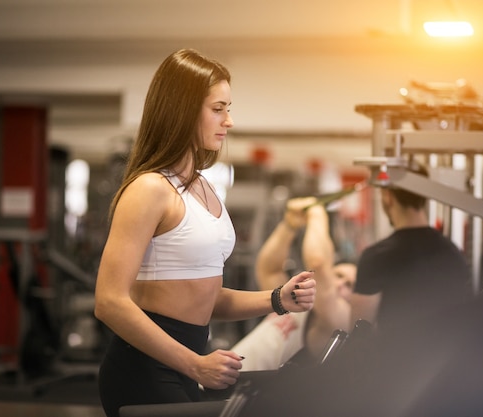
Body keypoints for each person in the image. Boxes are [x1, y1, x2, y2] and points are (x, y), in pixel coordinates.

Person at [93, 48, 316, 416]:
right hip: (145, 369)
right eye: (218, 109)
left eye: (228, 108)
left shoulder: (202, 187)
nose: (228, 121)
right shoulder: (149, 189)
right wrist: (194, 364)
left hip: (186, 365)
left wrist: (278, 299)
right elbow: (109, 301)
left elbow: (204, 297)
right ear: (182, 110)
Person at [231, 197, 356, 371]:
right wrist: (289, 226)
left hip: (250, 393)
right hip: (220, 381)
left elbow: (317, 262)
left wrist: (316, 213)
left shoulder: (340, 320)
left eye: (350, 284)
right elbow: (269, 269)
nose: (340, 283)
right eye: (338, 275)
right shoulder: (297, 302)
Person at [349, 162, 473, 334]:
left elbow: (358, 332)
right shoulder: (452, 252)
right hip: (448, 359)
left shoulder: (377, 257)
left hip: (397, 359)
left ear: (388, 196)